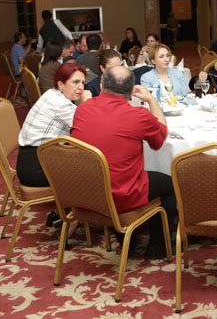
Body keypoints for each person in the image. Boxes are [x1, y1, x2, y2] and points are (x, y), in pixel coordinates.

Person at [71, 65, 175, 259]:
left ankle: (128, 238)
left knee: (113, 169)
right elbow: (159, 141)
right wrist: (152, 100)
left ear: (101, 86)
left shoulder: (83, 109)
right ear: (131, 91)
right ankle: (158, 247)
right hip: (120, 195)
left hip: (86, 191)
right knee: (170, 184)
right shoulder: (138, 115)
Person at [17, 64, 91, 187]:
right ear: (61, 84)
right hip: (36, 169)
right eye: (75, 82)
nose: (81, 88)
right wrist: (87, 103)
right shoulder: (60, 104)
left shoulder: (52, 94)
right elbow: (88, 129)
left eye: (83, 83)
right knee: (92, 168)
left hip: (35, 158)